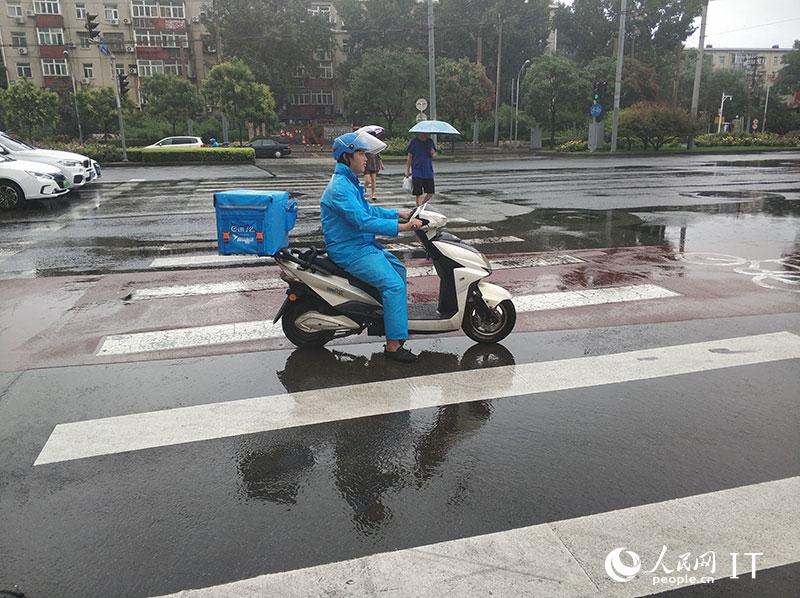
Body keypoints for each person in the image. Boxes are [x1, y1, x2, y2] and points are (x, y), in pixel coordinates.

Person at [321, 131, 424, 363]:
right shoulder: (340, 187)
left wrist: (397, 212)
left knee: (398, 270)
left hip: (361, 244)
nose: (366, 158)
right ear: (347, 157)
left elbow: (368, 211)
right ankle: (393, 346)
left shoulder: (349, 182)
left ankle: (388, 320)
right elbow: (363, 221)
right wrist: (403, 227)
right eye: (361, 153)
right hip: (350, 249)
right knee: (394, 285)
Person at [405, 132, 437, 207]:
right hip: (417, 171)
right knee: (418, 193)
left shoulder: (430, 142)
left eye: (427, 133)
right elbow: (409, 157)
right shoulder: (414, 142)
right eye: (423, 133)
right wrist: (407, 170)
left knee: (430, 192)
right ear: (419, 133)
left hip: (428, 171)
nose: (425, 134)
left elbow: (434, 155)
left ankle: (421, 204)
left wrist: (433, 154)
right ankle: (418, 210)